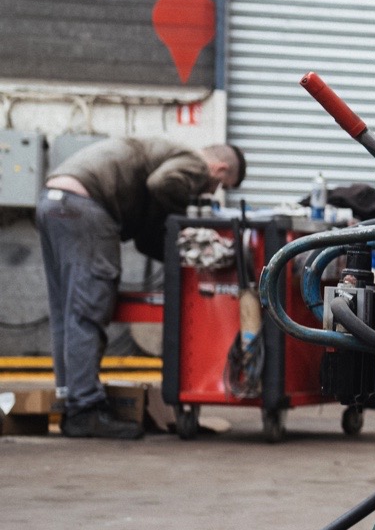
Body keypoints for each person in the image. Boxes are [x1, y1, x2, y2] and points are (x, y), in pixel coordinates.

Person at [38, 138, 246, 439]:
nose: (213, 191)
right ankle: (84, 410)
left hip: (53, 201)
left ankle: (70, 399)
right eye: (221, 184)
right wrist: (190, 220)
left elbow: (145, 234)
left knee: (66, 312)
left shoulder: (163, 152)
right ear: (219, 168)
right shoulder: (195, 162)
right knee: (88, 310)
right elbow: (163, 184)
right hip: (86, 208)